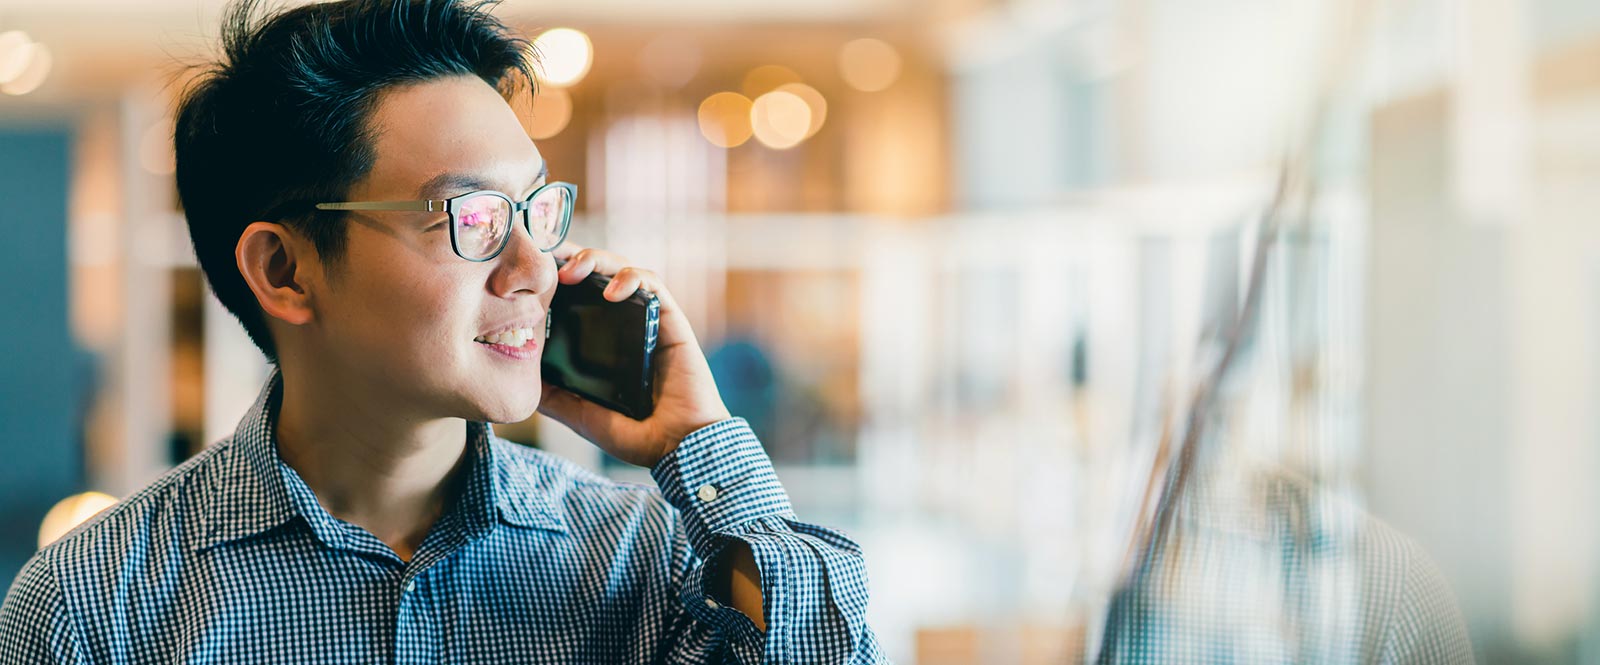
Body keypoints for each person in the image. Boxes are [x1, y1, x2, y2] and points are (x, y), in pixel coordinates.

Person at [0, 0, 882, 662]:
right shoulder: (95, 608)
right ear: (284, 269)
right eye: (473, 215)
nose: (535, 266)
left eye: (536, 209)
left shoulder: (643, 562)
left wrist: (702, 444)